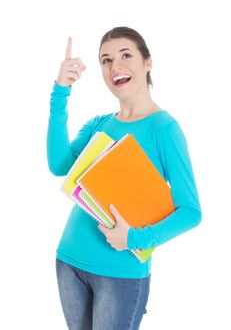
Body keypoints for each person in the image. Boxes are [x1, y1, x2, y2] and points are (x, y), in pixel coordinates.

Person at [47, 26, 202, 330]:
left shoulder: (165, 130)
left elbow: (191, 212)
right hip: (69, 262)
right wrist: (60, 93)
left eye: (125, 55)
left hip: (121, 273)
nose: (114, 66)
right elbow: (58, 164)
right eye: (106, 60)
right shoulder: (99, 124)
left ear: (148, 62)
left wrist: (134, 238)